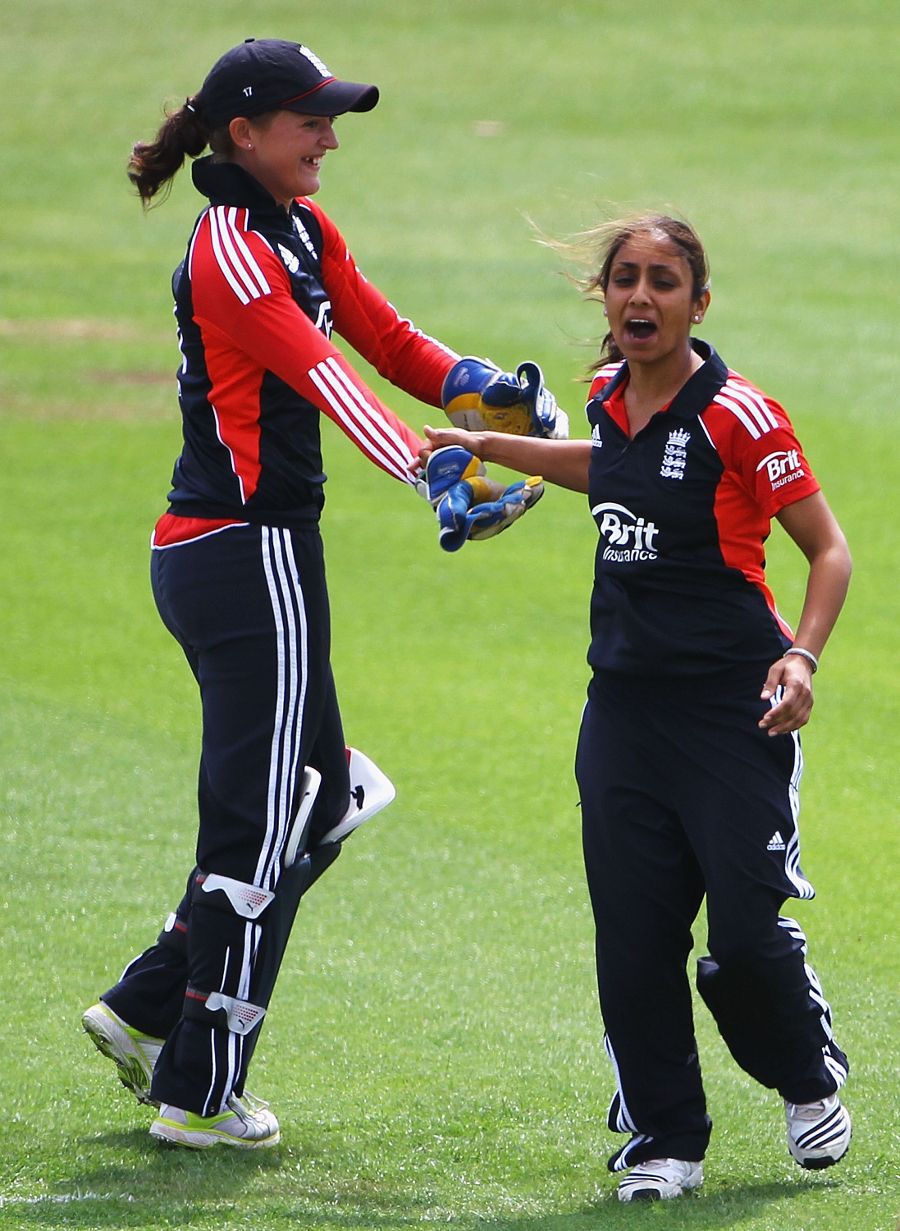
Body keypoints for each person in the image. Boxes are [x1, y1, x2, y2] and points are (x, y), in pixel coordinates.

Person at [81, 37, 559, 1151]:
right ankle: (201, 1093)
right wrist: (426, 466)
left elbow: (379, 333)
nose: (331, 138)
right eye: (312, 122)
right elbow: (320, 369)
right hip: (248, 557)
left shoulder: (299, 227)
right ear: (243, 134)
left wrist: (467, 382)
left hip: (248, 558)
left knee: (328, 794)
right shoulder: (233, 252)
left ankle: (150, 1004)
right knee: (268, 821)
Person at [420, 213, 853, 1201]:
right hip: (621, 713)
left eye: (664, 281)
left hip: (735, 711)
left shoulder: (740, 415)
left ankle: (802, 1073)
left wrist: (802, 657)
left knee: (742, 941)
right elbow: (604, 471)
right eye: (625, 279)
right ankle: (666, 1139)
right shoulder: (608, 401)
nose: (641, 296)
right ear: (605, 299)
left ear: (698, 305)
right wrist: (490, 444)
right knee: (634, 935)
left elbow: (828, 548)